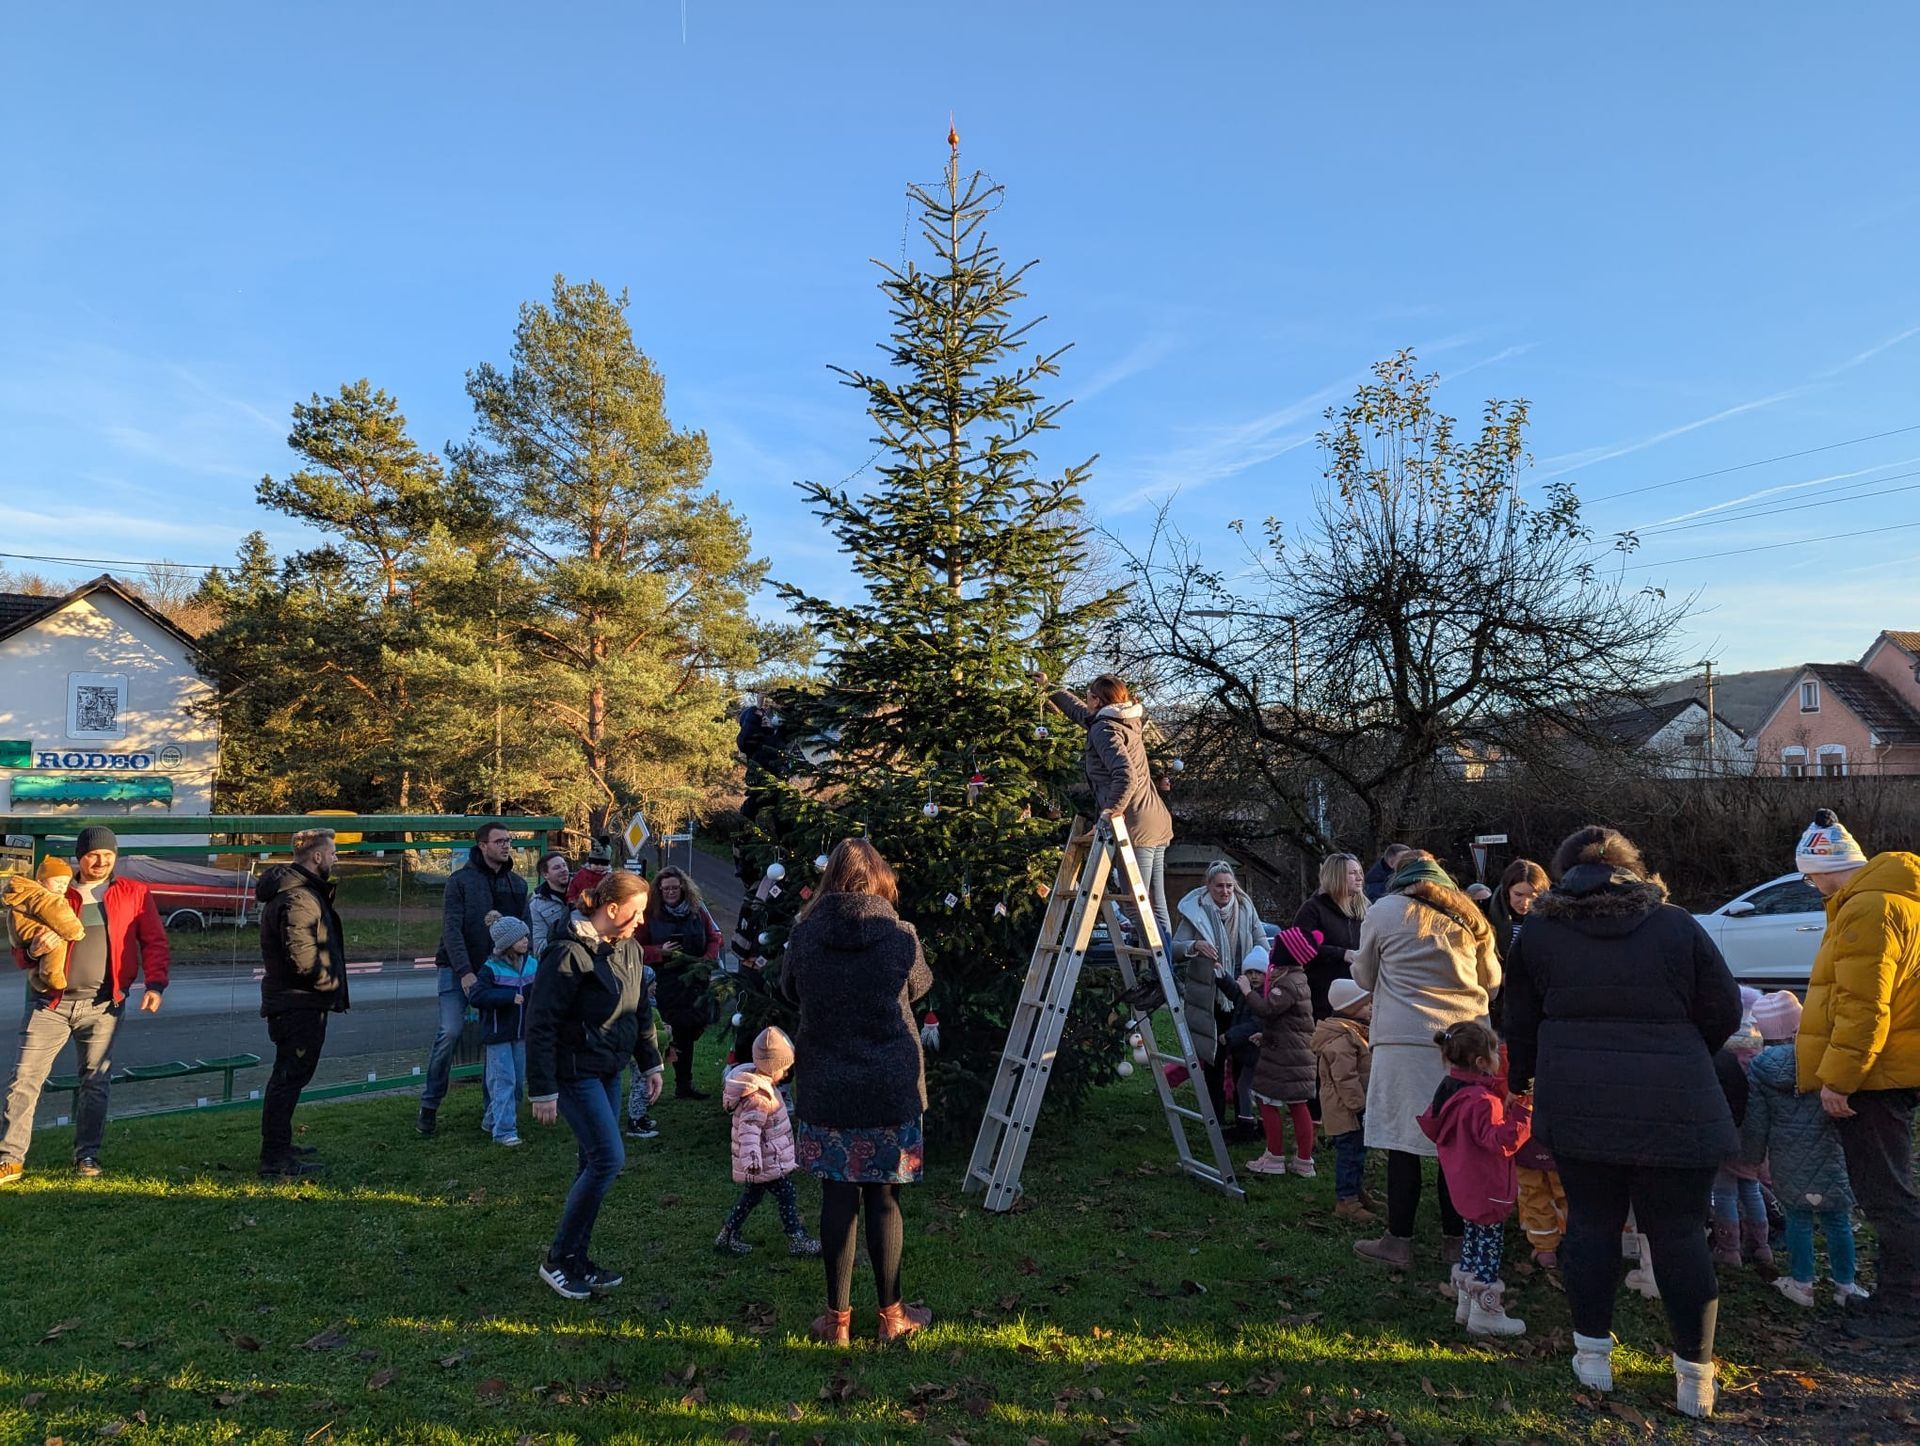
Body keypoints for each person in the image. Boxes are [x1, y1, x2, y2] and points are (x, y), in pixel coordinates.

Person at [1503, 826, 1741, 1420]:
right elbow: (1724, 1008)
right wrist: (1685, 1049)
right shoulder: (1675, 924)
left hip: (1579, 1097)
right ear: (1633, 868)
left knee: (1590, 1224)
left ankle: (1592, 1357)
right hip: (1676, 1097)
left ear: (1564, 873)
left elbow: (1519, 1019)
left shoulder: (1540, 932)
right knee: (1680, 1232)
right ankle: (1695, 1375)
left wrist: (1524, 1077)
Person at [779, 838, 933, 1347]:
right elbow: (920, 987)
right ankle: (892, 1316)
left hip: (827, 1083)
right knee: (885, 1198)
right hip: (891, 1084)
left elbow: (787, 990)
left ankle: (837, 1322)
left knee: (836, 1197)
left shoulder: (803, 936)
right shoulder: (901, 936)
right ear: (881, 880)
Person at [1790, 809, 1920, 1345]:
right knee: (1890, 1188)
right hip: (1896, 1064)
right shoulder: (1896, 899)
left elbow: (1864, 1007)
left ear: (1823, 868)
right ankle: (1896, 1297)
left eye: (1809, 877)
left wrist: (1840, 1079)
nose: (1812, 887)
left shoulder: (1867, 908)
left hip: (1876, 1075)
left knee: (1887, 1194)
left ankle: (1904, 1308)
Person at [1349, 850, 1498, 1271]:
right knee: (1456, 1143)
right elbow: (1492, 982)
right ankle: (1456, 1242)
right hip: (1464, 1040)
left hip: (1404, 1039)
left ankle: (1398, 1242)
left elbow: (1363, 975)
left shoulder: (1385, 910)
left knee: (1403, 1143)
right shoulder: (1470, 914)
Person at [0, 827, 167, 1186]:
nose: (101, 861)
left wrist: (155, 984)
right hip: (50, 1005)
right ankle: (10, 1159)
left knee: (95, 1083)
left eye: (108, 854)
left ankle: (87, 1154)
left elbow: (154, 941)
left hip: (104, 1006)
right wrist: (32, 952)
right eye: (93, 854)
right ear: (80, 857)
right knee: (23, 1080)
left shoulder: (134, 893)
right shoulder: (54, 892)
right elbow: (20, 945)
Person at [526, 870, 660, 1300]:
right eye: (637, 912)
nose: (642, 921)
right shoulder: (567, 952)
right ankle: (558, 1259)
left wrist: (651, 1063)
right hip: (574, 1073)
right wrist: (542, 1089)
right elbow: (541, 1022)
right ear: (612, 908)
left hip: (608, 1069)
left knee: (592, 1162)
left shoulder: (629, 949)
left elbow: (639, 1011)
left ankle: (577, 1260)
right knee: (608, 1159)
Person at [1742, 989, 1865, 1310]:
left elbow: (1756, 1120)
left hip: (1787, 1157)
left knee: (1798, 1220)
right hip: (1831, 1153)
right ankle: (1845, 1285)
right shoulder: (1825, 1058)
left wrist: (1752, 1157)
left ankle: (1802, 1284)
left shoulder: (1760, 1068)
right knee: (1837, 1220)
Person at [1038, 671, 1175, 949]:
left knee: (1135, 906)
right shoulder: (1120, 720)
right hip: (1155, 820)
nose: (1086, 699)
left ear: (1098, 701)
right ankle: (1164, 967)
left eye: (1089, 696)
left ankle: (1162, 968)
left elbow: (1126, 776)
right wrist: (1049, 687)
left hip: (1135, 825)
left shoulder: (1104, 730)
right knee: (1155, 903)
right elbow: (1080, 713)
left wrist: (1109, 812)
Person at [1417, 1020, 1533, 1337]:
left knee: (1472, 1242)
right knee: (1489, 1248)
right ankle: (1486, 1310)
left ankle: (1466, 1303)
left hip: (1465, 1185)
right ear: (1481, 1061)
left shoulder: (1450, 1092)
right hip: (1488, 1186)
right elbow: (1502, 1142)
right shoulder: (1482, 1102)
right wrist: (1524, 1111)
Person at [418, 822, 529, 1137]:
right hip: (457, 969)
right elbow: (451, 930)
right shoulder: (460, 882)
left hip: (500, 972)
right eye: (499, 841)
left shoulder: (517, 884)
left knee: (498, 1039)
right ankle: (430, 1104)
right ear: (482, 845)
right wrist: (466, 972)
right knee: (450, 1031)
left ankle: (493, 1112)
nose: (506, 846)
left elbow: (523, 929)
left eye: (509, 841)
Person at [256, 828, 348, 1179]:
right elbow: (303, 957)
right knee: (288, 1079)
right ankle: (275, 1157)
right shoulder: (299, 899)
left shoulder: (298, 893)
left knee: (290, 1078)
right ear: (317, 856)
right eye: (333, 852)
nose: (336, 858)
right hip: (298, 1003)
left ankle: (280, 1146)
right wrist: (331, 984)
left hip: (297, 1001)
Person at [1171, 862, 1268, 1131]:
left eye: (1229, 886)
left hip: (1242, 995)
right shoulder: (1195, 911)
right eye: (1219, 886)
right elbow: (1175, 948)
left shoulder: (1245, 908)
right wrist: (1195, 945)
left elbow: (1261, 942)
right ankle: (1215, 1119)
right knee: (1214, 1058)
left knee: (1243, 1057)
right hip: (1210, 996)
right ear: (1208, 886)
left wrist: (1265, 972)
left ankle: (1243, 1119)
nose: (1225, 891)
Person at [715, 1025, 821, 1258]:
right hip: (764, 1160)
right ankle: (796, 1239)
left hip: (767, 1158)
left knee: (752, 1196)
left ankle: (727, 1235)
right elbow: (749, 1130)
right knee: (786, 1194)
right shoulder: (759, 1098)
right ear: (773, 1067)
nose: (786, 1073)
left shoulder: (763, 1086)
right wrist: (752, 1159)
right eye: (784, 1068)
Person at [643, 865, 725, 1101]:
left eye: (674, 888)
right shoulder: (650, 914)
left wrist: (708, 959)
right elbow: (637, 947)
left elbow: (714, 937)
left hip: (695, 978)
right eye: (666, 888)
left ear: (683, 888)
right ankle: (650, 1086)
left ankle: (684, 1084)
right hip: (665, 980)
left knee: (690, 1031)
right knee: (668, 1033)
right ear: (659, 889)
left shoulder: (697, 910)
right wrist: (660, 951)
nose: (670, 892)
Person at [1241, 935, 1317, 1177]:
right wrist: (1266, 1036)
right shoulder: (1296, 979)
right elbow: (1289, 1023)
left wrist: (1246, 991)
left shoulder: (1287, 984)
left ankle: (1274, 1156)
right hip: (1294, 1053)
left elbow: (1268, 1009)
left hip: (1283, 1058)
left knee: (1266, 1101)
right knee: (1298, 1104)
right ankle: (1304, 1161)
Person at [471, 911, 538, 1147]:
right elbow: (476, 996)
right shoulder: (490, 969)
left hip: (521, 1034)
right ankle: (504, 1131)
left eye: (526, 936)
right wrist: (508, 997)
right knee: (504, 1081)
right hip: (498, 1035)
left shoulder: (532, 964)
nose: (526, 941)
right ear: (507, 943)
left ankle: (492, 1119)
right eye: (520, 938)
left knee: (517, 1082)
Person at [1313, 979, 1374, 1221]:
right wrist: (1358, 1106)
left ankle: (1356, 1191)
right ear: (1350, 1008)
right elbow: (1345, 1078)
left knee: (1359, 1152)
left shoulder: (1354, 1032)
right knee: (1349, 1154)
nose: (1370, 1007)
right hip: (1346, 1109)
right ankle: (1346, 1200)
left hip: (1352, 1107)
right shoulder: (1341, 1041)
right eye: (1365, 1004)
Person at [1294, 853, 1366, 1020]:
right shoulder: (1312, 909)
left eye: (1360, 873)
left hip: (1357, 997)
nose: (1359, 878)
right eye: (1352, 873)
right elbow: (1299, 948)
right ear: (1336, 876)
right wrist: (1342, 954)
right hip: (1321, 997)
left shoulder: (1363, 911)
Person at [3, 855, 84, 993]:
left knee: (45, 951)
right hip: (32, 930)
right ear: (41, 881)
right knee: (58, 941)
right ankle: (51, 974)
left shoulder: (29, 892)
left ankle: (36, 976)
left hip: (22, 932)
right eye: (58, 881)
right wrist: (75, 931)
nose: (62, 886)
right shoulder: (44, 896)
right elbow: (60, 916)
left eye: (65, 883)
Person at [529, 851, 572, 956]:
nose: (563, 870)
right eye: (557, 868)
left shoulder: (583, 889)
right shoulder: (536, 905)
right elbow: (539, 947)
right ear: (545, 874)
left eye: (564, 865)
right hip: (564, 958)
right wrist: (559, 933)